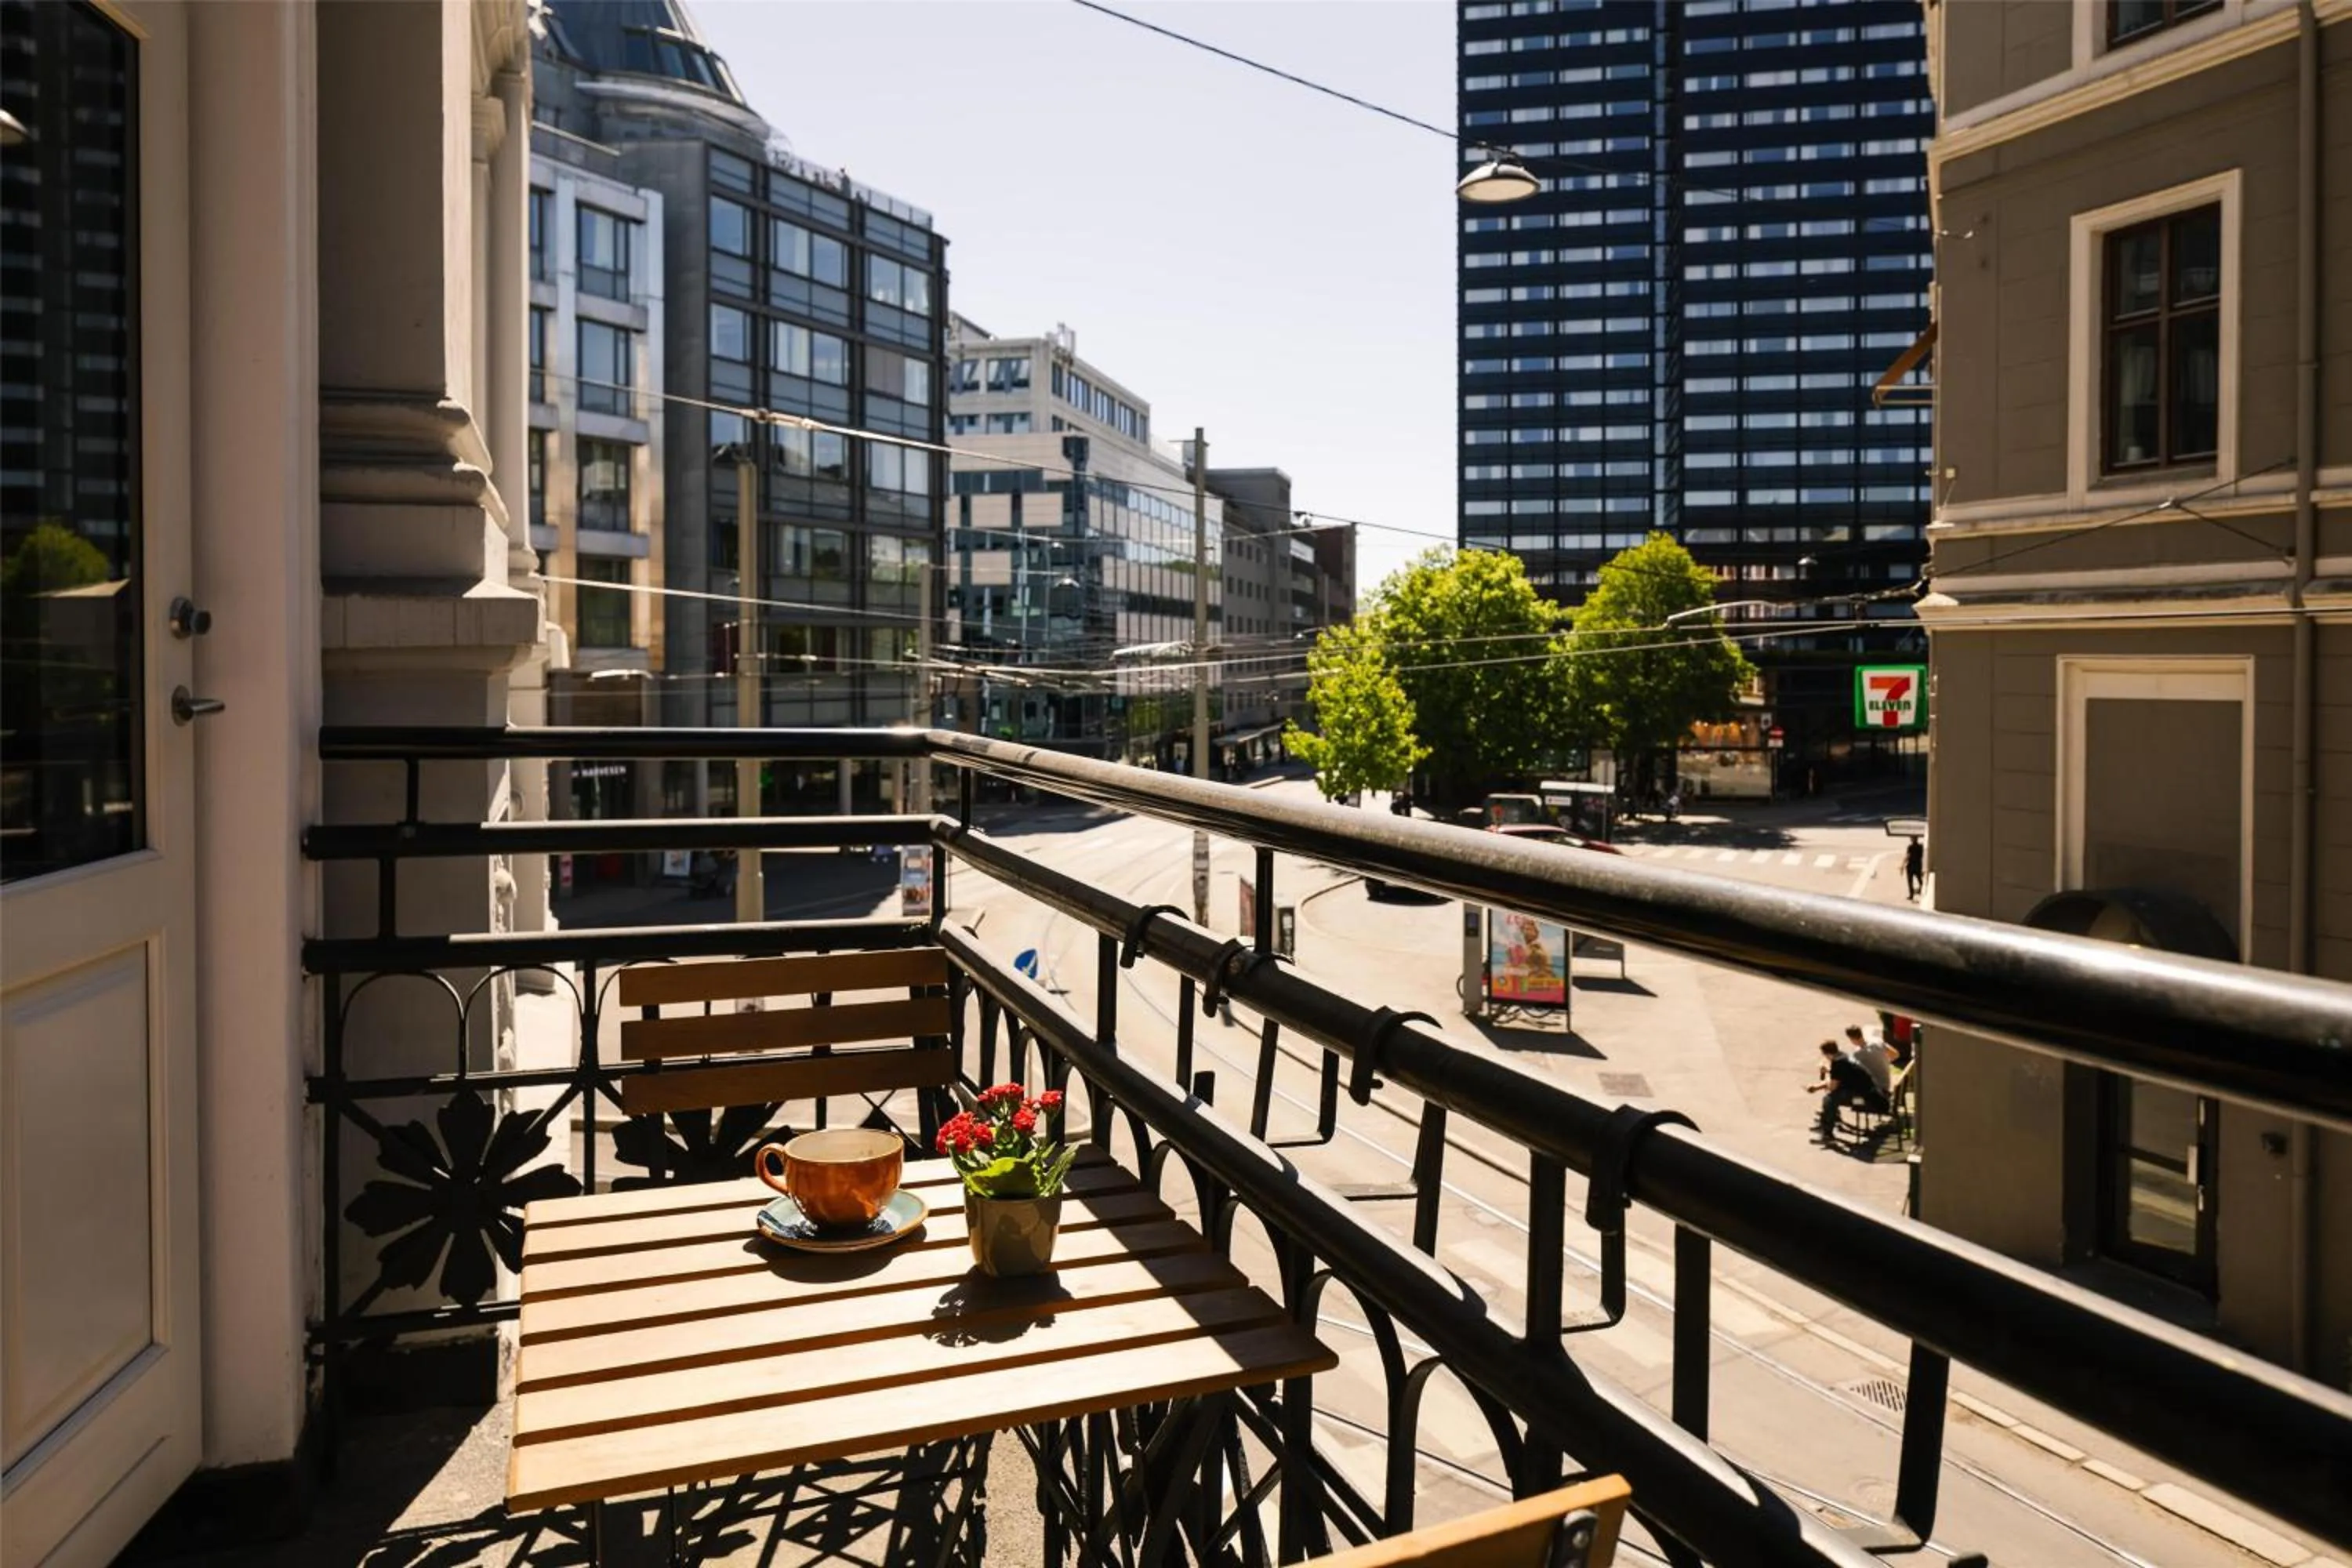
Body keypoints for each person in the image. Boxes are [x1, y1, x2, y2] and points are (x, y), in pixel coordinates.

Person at [1808, 1037, 1889, 1145]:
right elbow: (1840, 1077)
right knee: (1834, 1096)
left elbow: (1833, 1086)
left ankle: (1827, 1133)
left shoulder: (1838, 1064)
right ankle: (1828, 1121)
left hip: (1865, 1100)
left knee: (1830, 1099)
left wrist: (1817, 1086)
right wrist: (1827, 1074)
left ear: (1827, 1054)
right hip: (1873, 1094)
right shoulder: (1844, 1057)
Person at [1844, 1023, 1894, 1101]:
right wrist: (1881, 1061)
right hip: (1886, 1084)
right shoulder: (1877, 1040)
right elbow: (1895, 1054)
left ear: (1852, 1039)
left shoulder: (1858, 1054)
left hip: (1877, 1090)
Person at [1904, 837, 1925, 902]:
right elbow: (1922, 856)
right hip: (1918, 865)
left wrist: (1903, 864)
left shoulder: (1910, 847)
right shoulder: (1921, 847)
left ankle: (1911, 895)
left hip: (1911, 866)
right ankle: (1922, 890)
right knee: (1920, 880)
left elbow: (1908, 856)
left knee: (1910, 881)